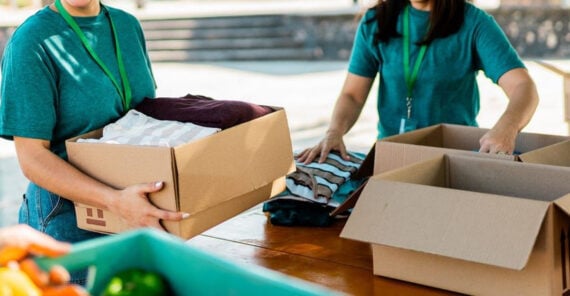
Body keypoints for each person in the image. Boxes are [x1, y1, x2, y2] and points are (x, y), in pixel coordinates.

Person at [0, 0, 189, 283]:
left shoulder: (128, 25)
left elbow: (143, 115)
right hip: (65, 215)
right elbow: (32, 158)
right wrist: (115, 202)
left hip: (134, 203)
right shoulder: (31, 41)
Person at [297, 0, 539, 164]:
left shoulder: (475, 23)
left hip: (455, 162)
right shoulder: (375, 22)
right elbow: (353, 95)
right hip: (391, 159)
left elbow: (523, 87)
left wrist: (507, 127)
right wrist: (334, 132)